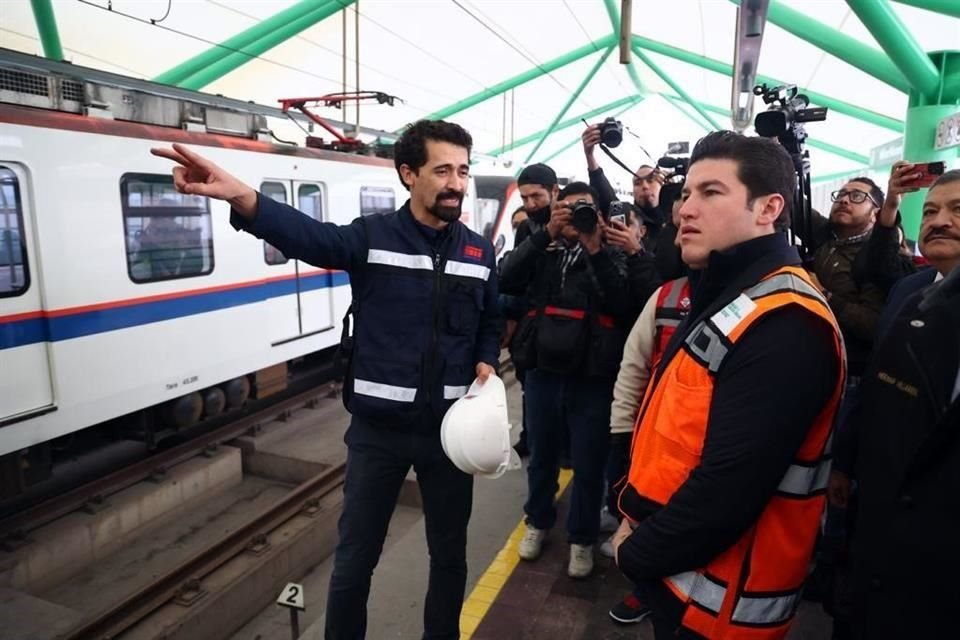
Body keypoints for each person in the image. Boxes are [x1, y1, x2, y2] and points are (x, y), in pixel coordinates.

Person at [152, 119, 500, 640]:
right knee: (355, 561)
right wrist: (244, 197)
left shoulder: (478, 251)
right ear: (408, 174)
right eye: (443, 170)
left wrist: (486, 356)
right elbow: (309, 237)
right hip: (378, 433)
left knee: (449, 555)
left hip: (450, 433)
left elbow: (489, 318)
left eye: (463, 171)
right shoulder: (371, 237)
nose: (456, 183)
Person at [612, 131, 845, 639]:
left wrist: (636, 553)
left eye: (711, 192)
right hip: (685, 583)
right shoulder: (736, 295)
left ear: (768, 209)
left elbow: (728, 492)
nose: (684, 210)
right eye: (687, 193)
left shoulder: (786, 324)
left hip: (721, 608)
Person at [845, 169, 960, 640]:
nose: (939, 221)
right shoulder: (908, 292)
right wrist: (845, 463)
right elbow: (875, 384)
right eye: (930, 211)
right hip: (880, 508)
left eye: (957, 211)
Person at [500, 181, 630, 579]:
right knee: (541, 455)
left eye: (584, 209)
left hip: (592, 376)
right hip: (544, 370)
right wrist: (546, 235)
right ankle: (537, 521)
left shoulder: (611, 252)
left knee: (590, 463)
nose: (577, 216)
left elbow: (625, 303)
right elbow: (506, 278)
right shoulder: (544, 247)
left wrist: (595, 247)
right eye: (568, 209)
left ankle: (581, 538)